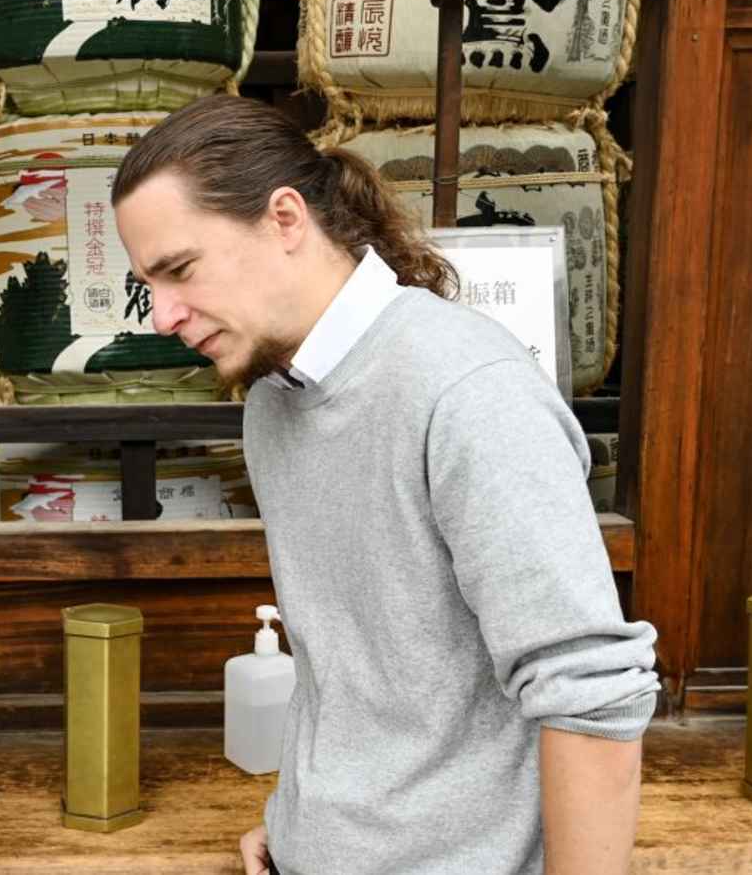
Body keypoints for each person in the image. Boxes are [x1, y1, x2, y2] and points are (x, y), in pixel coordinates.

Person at [110, 95, 660, 875]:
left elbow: (589, 695)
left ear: (286, 219)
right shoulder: (273, 399)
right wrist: (299, 821)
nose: (161, 315)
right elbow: (358, 664)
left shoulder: (468, 389)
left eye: (179, 270)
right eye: (148, 284)